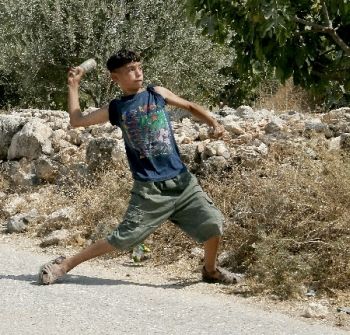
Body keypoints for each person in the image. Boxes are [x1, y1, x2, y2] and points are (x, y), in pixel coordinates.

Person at [38, 49, 238, 285]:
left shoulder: (157, 93)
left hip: (182, 182)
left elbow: (190, 106)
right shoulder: (117, 108)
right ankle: (64, 265)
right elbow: (77, 120)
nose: (138, 73)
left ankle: (210, 270)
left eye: (139, 67)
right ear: (116, 78)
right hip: (149, 189)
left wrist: (213, 121)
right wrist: (73, 85)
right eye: (130, 70)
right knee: (124, 239)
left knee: (213, 223)